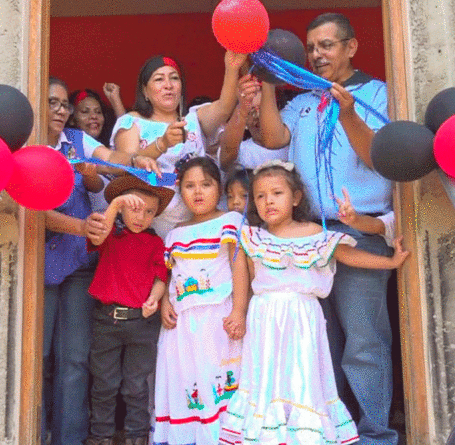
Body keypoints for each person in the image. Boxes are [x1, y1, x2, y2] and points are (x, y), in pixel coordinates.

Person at [256, 13, 399, 444]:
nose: (317, 55)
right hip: (309, 238)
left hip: (359, 233)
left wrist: (349, 113)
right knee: (321, 342)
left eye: (327, 46)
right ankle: (332, 433)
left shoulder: (379, 94)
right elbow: (271, 138)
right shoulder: (301, 101)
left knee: (364, 343)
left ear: (351, 48)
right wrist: (266, 81)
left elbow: (380, 158)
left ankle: (375, 435)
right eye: (311, 47)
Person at [219, 161, 409, 445]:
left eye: (277, 193)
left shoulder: (316, 235)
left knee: (302, 376)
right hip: (264, 320)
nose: (268, 201)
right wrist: (238, 311)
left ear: (295, 198)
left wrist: (390, 262)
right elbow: (242, 274)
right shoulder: (253, 237)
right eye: (259, 196)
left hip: (301, 319)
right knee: (265, 379)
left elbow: (349, 256)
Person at [153, 156, 247, 445]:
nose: (198, 192)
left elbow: (238, 265)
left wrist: (240, 311)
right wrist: (165, 304)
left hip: (219, 320)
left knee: (219, 378)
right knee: (188, 378)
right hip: (182, 326)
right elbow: (169, 275)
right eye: (190, 186)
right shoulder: (175, 233)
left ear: (218, 189)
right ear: (180, 191)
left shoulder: (230, 221)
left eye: (206, 185)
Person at [110, 52, 252, 237]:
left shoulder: (194, 118)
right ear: (144, 90)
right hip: (151, 230)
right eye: (159, 79)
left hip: (202, 226)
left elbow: (225, 106)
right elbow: (125, 166)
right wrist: (163, 144)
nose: (168, 85)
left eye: (174, 78)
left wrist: (232, 68)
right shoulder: (131, 122)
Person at [84, 175, 174, 445]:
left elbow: (161, 277)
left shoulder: (156, 243)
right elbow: (97, 235)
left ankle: (136, 437)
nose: (141, 217)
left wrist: (155, 299)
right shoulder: (111, 235)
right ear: (122, 208)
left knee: (136, 385)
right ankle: (100, 437)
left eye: (149, 212)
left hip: (141, 322)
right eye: (135, 208)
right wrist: (114, 205)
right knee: (104, 384)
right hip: (106, 320)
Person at [42, 76, 104, 445]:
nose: (61, 110)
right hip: (40, 269)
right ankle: (36, 433)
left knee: (76, 359)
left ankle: (70, 439)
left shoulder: (79, 142)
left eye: (64, 104)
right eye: (53, 102)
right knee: (41, 358)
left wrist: (150, 151)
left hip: (78, 266)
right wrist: (81, 226)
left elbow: (110, 161)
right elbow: (33, 211)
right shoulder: (26, 146)